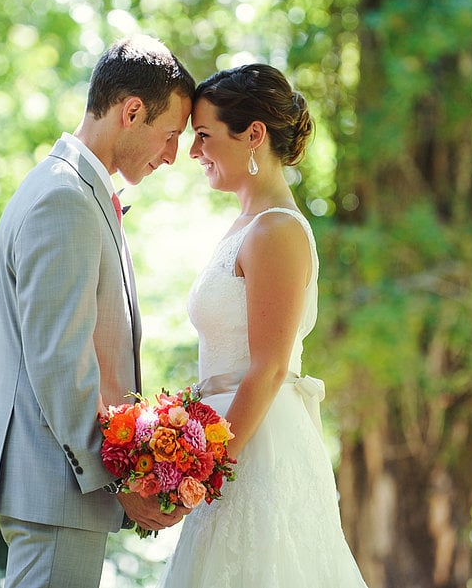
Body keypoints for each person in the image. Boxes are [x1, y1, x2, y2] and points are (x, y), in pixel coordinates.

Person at [0, 35, 195, 588]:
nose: (172, 155)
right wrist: (121, 478)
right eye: (170, 136)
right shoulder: (65, 199)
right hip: (55, 488)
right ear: (132, 111)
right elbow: (59, 361)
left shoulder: (72, 189)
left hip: (57, 492)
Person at [158, 64, 369, 587]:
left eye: (204, 136)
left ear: (253, 135)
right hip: (229, 439)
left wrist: (206, 473)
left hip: (257, 448)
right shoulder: (244, 226)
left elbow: (270, 368)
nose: (193, 151)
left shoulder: (277, 230)